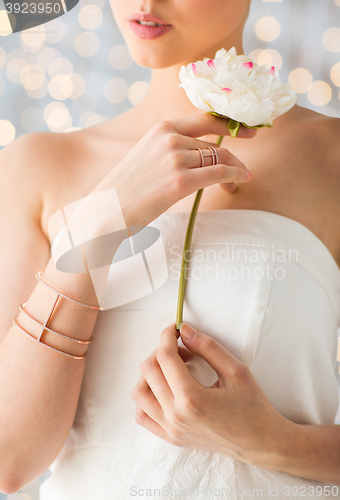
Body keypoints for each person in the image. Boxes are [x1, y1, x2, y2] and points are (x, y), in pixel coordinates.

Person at [0, 0, 339, 498]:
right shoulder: (37, 164)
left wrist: (269, 441)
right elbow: (9, 460)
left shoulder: (330, 159)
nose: (145, 3)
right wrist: (98, 225)